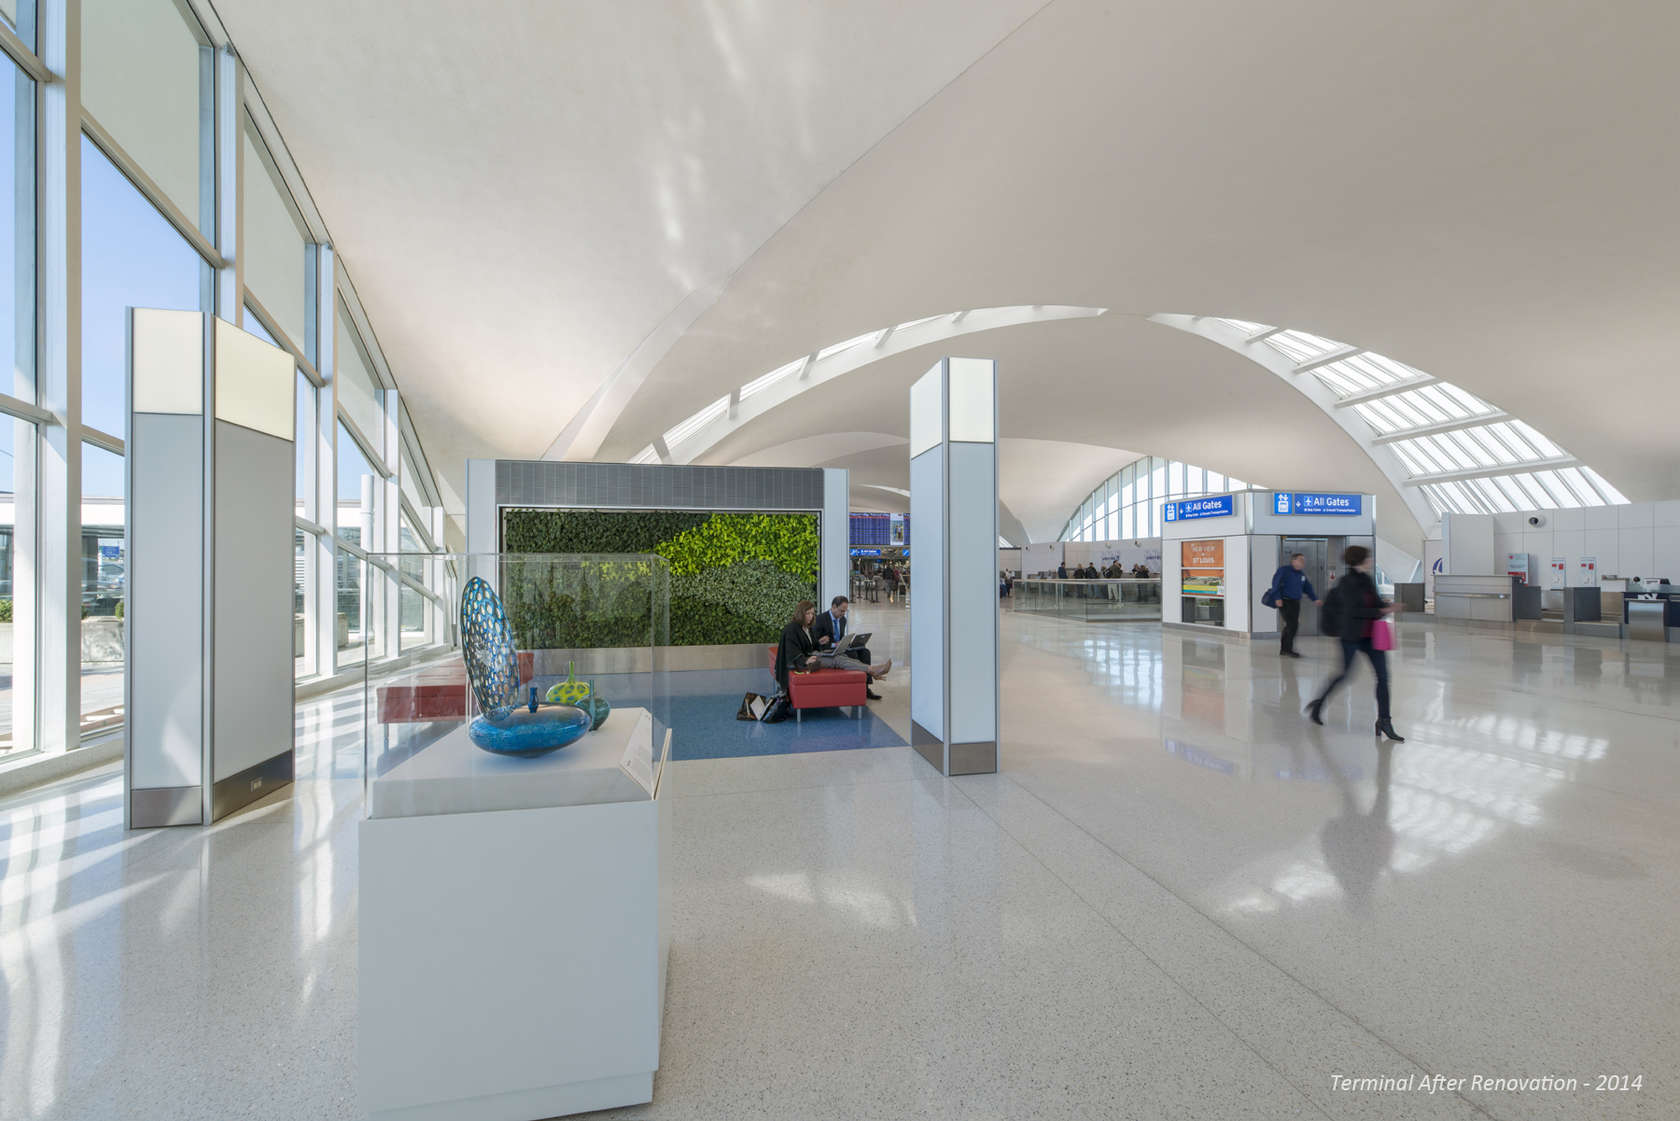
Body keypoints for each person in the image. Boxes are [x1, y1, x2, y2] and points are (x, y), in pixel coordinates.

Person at [1307, 546, 1404, 742]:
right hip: (1351, 635)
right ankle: (1319, 704)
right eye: (1367, 558)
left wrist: (1387, 606)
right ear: (1360, 560)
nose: (1370, 560)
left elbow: (1375, 602)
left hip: (1370, 637)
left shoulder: (1366, 579)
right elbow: (1353, 611)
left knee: (1383, 678)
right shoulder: (1347, 583)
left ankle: (1384, 721)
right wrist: (1381, 612)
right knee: (1344, 674)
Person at [776, 600, 892, 696]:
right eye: (808, 613)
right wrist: (805, 660)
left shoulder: (807, 628)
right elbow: (791, 651)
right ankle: (872, 670)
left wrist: (819, 642)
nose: (811, 617)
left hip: (813, 654)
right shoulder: (791, 629)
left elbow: (811, 645)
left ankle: (871, 671)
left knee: (841, 655)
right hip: (806, 661)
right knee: (837, 659)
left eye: (812, 613)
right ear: (801, 613)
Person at [813, 595, 882, 700]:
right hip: (827, 649)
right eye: (841, 611)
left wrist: (844, 643)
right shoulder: (820, 619)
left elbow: (840, 637)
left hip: (839, 647)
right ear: (834, 607)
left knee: (865, 652)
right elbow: (815, 642)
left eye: (845, 611)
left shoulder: (842, 620)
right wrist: (831, 644)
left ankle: (865, 687)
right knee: (853, 655)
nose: (843, 614)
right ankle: (861, 687)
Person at [1269, 552, 1321, 658]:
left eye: (1303, 561)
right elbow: (1275, 584)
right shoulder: (1284, 570)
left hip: (1295, 602)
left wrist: (1314, 599)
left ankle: (1284, 649)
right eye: (1300, 560)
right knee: (1292, 625)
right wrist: (1277, 598)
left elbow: (1307, 587)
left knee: (1290, 625)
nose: (1303, 563)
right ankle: (1288, 649)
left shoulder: (1301, 574)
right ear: (1293, 561)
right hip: (1285, 601)